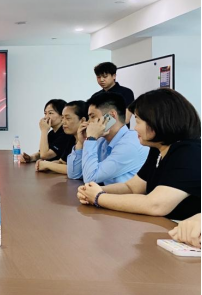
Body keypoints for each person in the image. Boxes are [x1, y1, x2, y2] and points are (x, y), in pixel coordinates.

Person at [78, 89, 200, 221]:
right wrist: (92, 191)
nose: (135, 128)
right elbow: (132, 187)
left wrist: (98, 197)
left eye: (138, 121)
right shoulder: (158, 149)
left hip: (182, 229)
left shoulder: (189, 152)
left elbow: (155, 205)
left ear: (157, 121)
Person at [67, 93, 148, 184]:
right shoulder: (102, 141)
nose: (88, 122)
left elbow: (90, 178)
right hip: (105, 192)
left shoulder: (130, 144)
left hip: (124, 193)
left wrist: (91, 139)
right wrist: (81, 143)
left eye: (92, 117)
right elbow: (74, 174)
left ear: (111, 116)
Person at [36, 100, 88, 175]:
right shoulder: (72, 138)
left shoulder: (89, 140)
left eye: (68, 118)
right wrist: (44, 163)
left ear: (82, 120)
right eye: (63, 118)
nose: (63, 122)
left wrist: (47, 165)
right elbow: (62, 162)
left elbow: (75, 170)